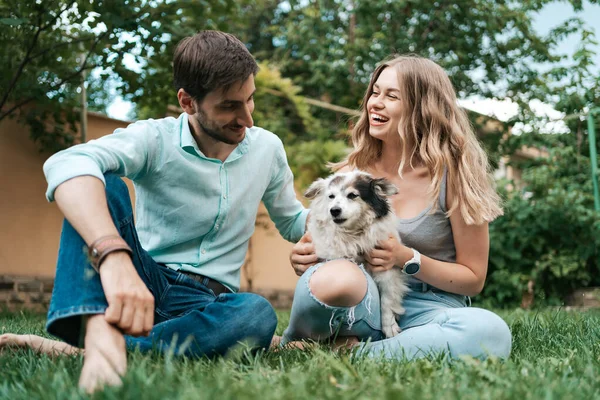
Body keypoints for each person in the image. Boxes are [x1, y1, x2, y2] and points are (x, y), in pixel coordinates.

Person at [0, 30, 308, 392]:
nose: (247, 119)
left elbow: (293, 221)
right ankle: (101, 339)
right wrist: (114, 257)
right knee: (100, 180)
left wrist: (340, 223)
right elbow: (67, 164)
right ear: (188, 102)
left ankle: (91, 348)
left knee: (255, 314)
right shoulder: (154, 138)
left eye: (250, 100)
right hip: (142, 276)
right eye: (229, 106)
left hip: (208, 303)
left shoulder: (267, 149)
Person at [281, 55, 512, 360]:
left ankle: (356, 353)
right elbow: (320, 241)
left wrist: (406, 258)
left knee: (489, 332)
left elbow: (473, 278)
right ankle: (321, 339)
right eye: (375, 93)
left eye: (391, 96)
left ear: (423, 109)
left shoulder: (455, 176)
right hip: (364, 299)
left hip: (429, 308)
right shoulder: (352, 172)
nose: (375, 103)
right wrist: (305, 255)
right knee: (336, 278)